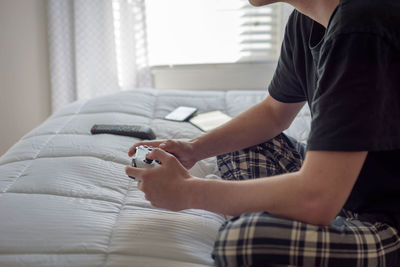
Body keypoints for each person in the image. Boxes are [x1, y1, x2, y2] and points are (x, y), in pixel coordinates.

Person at [125, 0, 400, 265]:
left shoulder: (363, 26)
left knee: (241, 242)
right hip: (344, 186)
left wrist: (188, 192)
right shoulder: (307, 21)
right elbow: (273, 113)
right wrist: (193, 149)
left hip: (386, 219)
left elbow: (319, 197)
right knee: (237, 145)